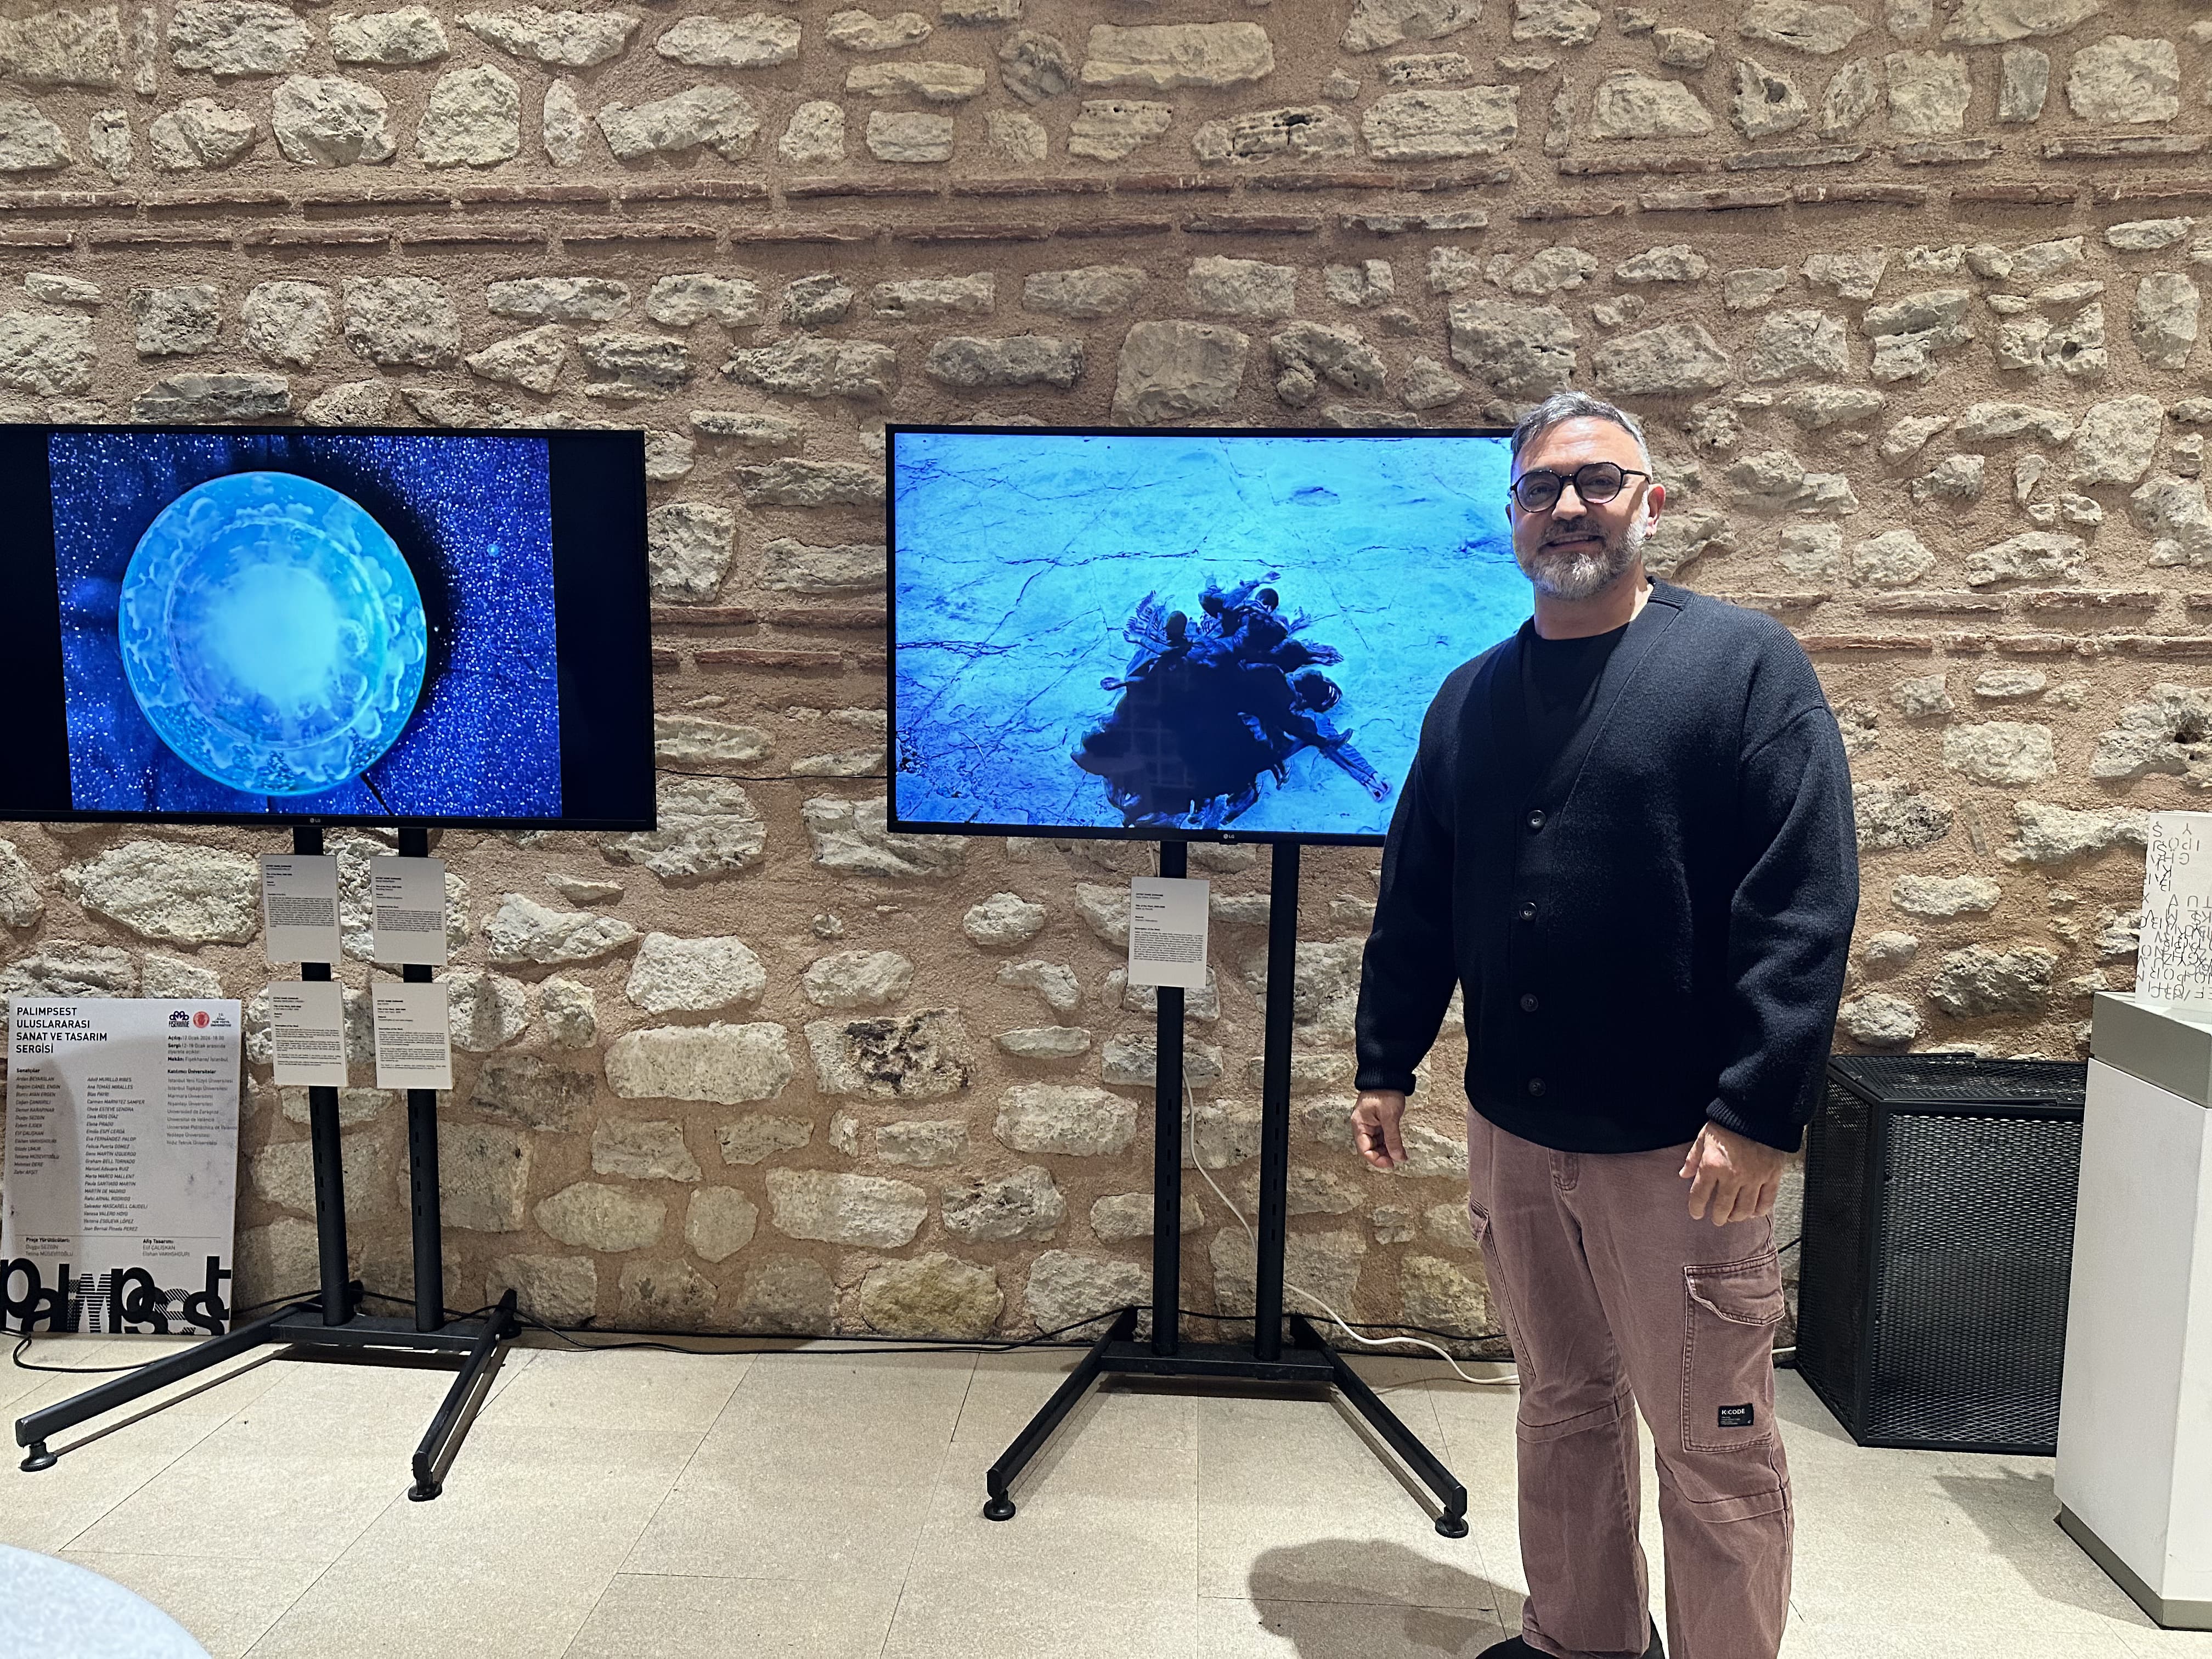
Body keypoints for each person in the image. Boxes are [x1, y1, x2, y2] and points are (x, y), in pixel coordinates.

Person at [1350, 391, 1857, 1659]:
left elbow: (1803, 900)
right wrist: (1386, 1060)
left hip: (1683, 1151)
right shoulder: (1468, 698)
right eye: (1543, 488)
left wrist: (1757, 1111)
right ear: (1513, 516)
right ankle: (1580, 1639)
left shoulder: (1745, 667)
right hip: (1516, 1137)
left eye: (1599, 481)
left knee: (1711, 1442)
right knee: (1561, 1406)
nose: (1569, 506)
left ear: (1651, 504)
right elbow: (1420, 892)